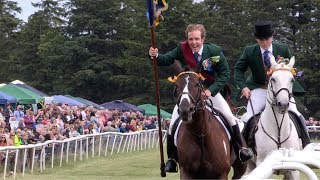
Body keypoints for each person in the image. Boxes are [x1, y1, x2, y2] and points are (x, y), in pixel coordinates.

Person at [149, 23, 254, 172]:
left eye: (197, 39)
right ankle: (172, 159)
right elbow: (165, 60)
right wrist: (155, 55)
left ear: (203, 38)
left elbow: (225, 74)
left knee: (230, 118)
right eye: (191, 39)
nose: (193, 43)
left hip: (211, 91)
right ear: (187, 39)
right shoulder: (182, 48)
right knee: (173, 124)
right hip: (191, 92)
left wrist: (211, 90)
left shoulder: (215, 51)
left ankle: (241, 150)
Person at [234, 21, 310, 148]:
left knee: (295, 112)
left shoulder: (283, 48)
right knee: (248, 116)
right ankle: (244, 149)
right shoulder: (249, 51)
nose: (265, 42)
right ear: (256, 39)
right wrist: (244, 87)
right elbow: (238, 70)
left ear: (272, 37)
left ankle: (307, 143)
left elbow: (290, 71)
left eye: (267, 39)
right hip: (260, 88)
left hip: (280, 89)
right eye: (261, 39)